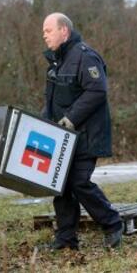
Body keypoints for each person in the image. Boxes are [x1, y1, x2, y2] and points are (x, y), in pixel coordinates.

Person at [41, 13, 123, 250]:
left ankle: (112, 224)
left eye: (48, 30)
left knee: (78, 182)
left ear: (64, 31)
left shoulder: (85, 57)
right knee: (61, 185)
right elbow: (52, 102)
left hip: (87, 135)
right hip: (64, 139)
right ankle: (66, 240)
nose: (44, 35)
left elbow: (97, 91)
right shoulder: (57, 63)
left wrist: (71, 119)